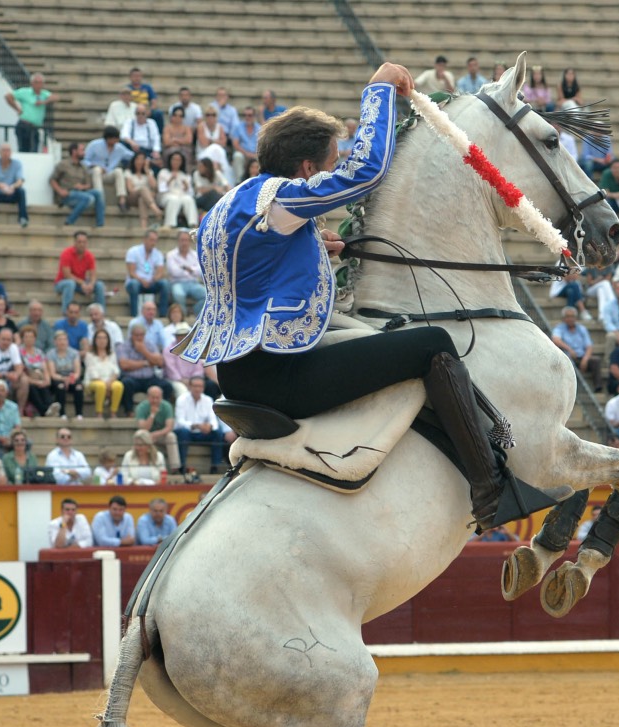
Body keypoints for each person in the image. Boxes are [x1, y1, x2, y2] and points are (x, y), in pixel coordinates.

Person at [175, 61, 563, 532]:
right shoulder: (283, 199)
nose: (332, 168)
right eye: (328, 163)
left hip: (239, 371)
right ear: (306, 169)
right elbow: (365, 172)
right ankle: (491, 490)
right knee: (433, 344)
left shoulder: (233, 201)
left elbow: (251, 269)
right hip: (277, 373)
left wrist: (311, 245)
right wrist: (377, 92)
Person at [49, 141, 106, 228]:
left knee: (98, 193)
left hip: (81, 193)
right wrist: (60, 191)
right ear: (74, 151)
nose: (84, 153)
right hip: (67, 194)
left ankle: (100, 224)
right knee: (88, 198)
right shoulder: (63, 164)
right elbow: (52, 179)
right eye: (82, 150)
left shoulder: (83, 167)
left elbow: (89, 185)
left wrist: (82, 187)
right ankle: (69, 222)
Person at [174, 374, 223, 474]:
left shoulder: (208, 400)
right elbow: (180, 421)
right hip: (188, 432)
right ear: (189, 387)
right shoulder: (181, 399)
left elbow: (214, 421)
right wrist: (196, 426)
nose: (197, 389)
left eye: (200, 386)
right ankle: (182, 466)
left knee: (217, 432)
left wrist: (210, 426)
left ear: (203, 388)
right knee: (183, 432)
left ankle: (215, 466)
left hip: (203, 433)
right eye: (195, 386)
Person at [84, 126, 133, 215]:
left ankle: (122, 200)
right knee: (97, 170)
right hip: (94, 174)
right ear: (109, 138)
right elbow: (85, 160)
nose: (117, 141)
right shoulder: (94, 145)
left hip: (109, 173)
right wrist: (95, 165)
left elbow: (132, 156)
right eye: (115, 138)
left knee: (118, 171)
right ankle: (100, 199)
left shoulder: (119, 148)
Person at [4, 72, 57, 153]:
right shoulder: (25, 92)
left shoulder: (44, 94)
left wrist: (43, 102)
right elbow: (8, 96)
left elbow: (55, 97)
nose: (38, 85)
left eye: (40, 83)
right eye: (36, 82)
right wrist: (17, 109)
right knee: (24, 150)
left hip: (35, 127)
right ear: (32, 83)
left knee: (34, 150)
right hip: (24, 125)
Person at [552, 306, 601, 391]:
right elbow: (556, 340)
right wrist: (569, 349)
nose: (570, 319)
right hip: (568, 357)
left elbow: (589, 346)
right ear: (563, 318)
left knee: (595, 361)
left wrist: (585, 359)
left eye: (572, 316)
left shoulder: (582, 329)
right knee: (568, 364)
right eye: (568, 316)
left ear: (576, 318)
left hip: (581, 357)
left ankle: (598, 387)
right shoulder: (559, 328)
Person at [54, 232, 105, 312]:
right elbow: (67, 275)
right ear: (75, 242)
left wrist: (91, 285)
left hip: (80, 284)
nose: (82, 244)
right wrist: (82, 283)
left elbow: (93, 274)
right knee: (70, 283)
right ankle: (66, 313)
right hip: (62, 282)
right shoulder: (66, 253)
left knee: (99, 285)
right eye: (79, 242)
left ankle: (100, 312)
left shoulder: (89, 255)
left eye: (84, 242)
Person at [124, 229, 170, 318]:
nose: (153, 243)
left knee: (165, 284)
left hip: (151, 282)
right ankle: (134, 315)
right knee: (134, 284)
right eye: (151, 240)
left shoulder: (158, 254)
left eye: (155, 241)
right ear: (144, 240)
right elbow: (131, 273)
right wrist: (142, 280)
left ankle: (163, 314)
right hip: (137, 281)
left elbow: (160, 272)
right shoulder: (133, 251)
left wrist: (153, 280)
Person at [134, 383, 180, 470]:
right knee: (139, 434)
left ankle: (175, 467)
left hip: (161, 435)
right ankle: (140, 464)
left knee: (171, 436)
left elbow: (169, 427)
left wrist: (156, 434)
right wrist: (152, 414)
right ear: (148, 397)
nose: (155, 400)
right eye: (152, 397)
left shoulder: (167, 406)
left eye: (157, 398)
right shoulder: (141, 407)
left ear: (161, 397)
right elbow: (143, 428)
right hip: (146, 435)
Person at [0, 143, 28, 227]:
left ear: (11, 152)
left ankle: (23, 218)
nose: (6, 153)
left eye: (8, 150)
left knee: (21, 191)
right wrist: (0, 185)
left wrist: (12, 187)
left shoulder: (17, 164)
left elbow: (20, 181)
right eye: (3, 150)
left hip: (11, 193)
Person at [84, 328, 123, 417]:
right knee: (101, 386)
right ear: (95, 340)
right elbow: (92, 373)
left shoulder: (112, 354)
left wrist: (110, 381)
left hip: (109, 380)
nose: (102, 340)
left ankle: (113, 412)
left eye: (104, 338)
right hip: (93, 381)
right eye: (99, 338)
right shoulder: (89, 355)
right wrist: (106, 385)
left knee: (118, 385)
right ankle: (99, 412)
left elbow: (116, 371)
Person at [166, 229, 205, 316]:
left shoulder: (195, 254)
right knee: (178, 294)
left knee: (207, 295)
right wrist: (191, 270)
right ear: (178, 241)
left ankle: (194, 312)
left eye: (186, 240)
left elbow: (200, 271)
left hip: (193, 283)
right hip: (177, 283)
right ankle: (183, 316)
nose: (184, 243)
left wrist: (184, 268)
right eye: (182, 240)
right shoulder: (171, 255)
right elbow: (174, 272)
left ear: (189, 241)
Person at [18, 323, 54, 416]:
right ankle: (44, 410)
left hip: (40, 377)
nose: (29, 339)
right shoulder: (18, 352)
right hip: (28, 379)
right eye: (26, 337)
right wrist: (36, 381)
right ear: (22, 338)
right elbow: (21, 371)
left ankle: (50, 407)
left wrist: (47, 380)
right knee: (32, 387)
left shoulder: (39, 352)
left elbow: (45, 368)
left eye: (31, 337)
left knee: (45, 386)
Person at [47, 331, 84, 419]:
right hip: (58, 378)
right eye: (59, 340)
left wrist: (70, 378)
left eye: (64, 339)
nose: (62, 342)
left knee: (79, 387)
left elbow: (77, 372)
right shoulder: (51, 354)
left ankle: (79, 414)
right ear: (55, 342)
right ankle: (62, 413)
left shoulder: (74, 353)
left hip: (72, 377)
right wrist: (63, 379)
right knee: (60, 387)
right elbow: (53, 374)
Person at [156, 152, 198, 229]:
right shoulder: (163, 172)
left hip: (181, 195)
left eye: (178, 160)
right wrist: (170, 180)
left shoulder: (185, 175)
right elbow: (161, 189)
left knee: (189, 199)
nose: (176, 162)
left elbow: (191, 193)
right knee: (173, 199)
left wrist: (186, 187)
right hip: (166, 195)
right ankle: (169, 224)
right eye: (174, 159)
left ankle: (193, 224)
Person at [125, 151, 163, 229]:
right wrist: (143, 192)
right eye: (138, 159)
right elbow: (130, 189)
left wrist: (147, 171)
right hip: (132, 197)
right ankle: (156, 210)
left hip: (146, 198)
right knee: (143, 189)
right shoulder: (128, 172)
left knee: (142, 199)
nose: (140, 162)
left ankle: (143, 226)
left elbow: (154, 186)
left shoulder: (149, 172)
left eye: (142, 159)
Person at [120, 104, 162, 170]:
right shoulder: (129, 122)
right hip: (132, 151)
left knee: (157, 161)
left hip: (147, 151)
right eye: (138, 113)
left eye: (143, 113)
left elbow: (156, 138)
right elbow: (124, 135)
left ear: (147, 113)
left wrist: (156, 151)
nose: (140, 116)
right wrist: (132, 143)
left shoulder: (151, 123)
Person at [232, 106, 261, 180]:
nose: (247, 117)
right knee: (237, 156)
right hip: (243, 154)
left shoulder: (259, 128)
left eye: (249, 115)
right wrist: (246, 153)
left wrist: (255, 154)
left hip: (255, 154)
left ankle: (259, 180)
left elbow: (262, 145)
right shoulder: (238, 127)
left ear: (254, 116)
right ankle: (239, 181)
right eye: (245, 115)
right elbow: (235, 144)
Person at [161, 105, 194, 170]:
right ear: (172, 116)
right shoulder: (167, 128)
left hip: (184, 150)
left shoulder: (187, 128)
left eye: (180, 116)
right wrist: (181, 141)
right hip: (170, 150)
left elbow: (189, 140)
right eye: (175, 115)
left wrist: (174, 140)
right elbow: (166, 142)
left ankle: (186, 173)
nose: (177, 117)